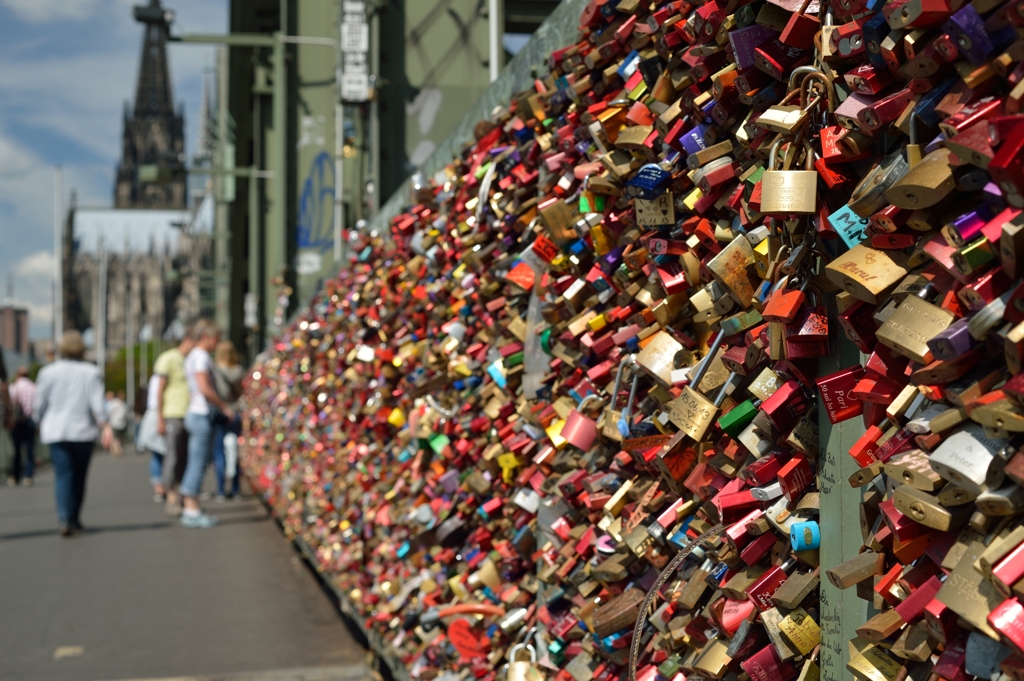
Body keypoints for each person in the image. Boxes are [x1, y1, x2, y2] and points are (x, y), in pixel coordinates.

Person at [34, 331, 114, 536]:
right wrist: (105, 425)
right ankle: (74, 517)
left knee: (63, 474)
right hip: (82, 432)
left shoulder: (47, 372)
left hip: (56, 431)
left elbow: (39, 404)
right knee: (79, 476)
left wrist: (37, 420)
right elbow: (97, 404)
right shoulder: (91, 372)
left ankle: (64, 517)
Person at [179, 320, 235, 528]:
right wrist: (223, 406)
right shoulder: (201, 357)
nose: (217, 343)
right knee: (198, 462)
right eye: (216, 338)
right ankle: (191, 510)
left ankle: (190, 507)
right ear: (206, 337)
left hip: (195, 412)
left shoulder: (193, 356)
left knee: (197, 461)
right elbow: (204, 387)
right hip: (202, 414)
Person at [154, 329, 195, 516]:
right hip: (173, 414)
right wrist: (159, 417)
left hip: (190, 414)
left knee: (184, 457)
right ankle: (171, 494)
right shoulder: (169, 358)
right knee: (172, 456)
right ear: (188, 340)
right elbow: (159, 389)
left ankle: (180, 493)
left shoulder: (191, 361)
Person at [212, 340, 244, 500]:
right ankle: (236, 489)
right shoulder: (238, 371)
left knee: (219, 452)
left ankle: (221, 490)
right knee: (235, 451)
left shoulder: (215, 371)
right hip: (237, 412)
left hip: (221, 412)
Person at [137, 374, 168, 502]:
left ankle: (159, 487)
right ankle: (166, 487)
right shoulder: (165, 376)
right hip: (163, 415)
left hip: (152, 415)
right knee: (167, 456)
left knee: (156, 456)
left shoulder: (154, 377)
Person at [8, 367, 37, 486]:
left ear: (17, 375)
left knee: (16, 449)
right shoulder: (33, 387)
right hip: (30, 420)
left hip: (16, 421)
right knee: (30, 448)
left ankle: (16, 475)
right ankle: (28, 476)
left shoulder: (14, 387)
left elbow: (10, 402)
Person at [106, 391, 128, 456]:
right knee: (117, 438)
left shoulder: (116, 404)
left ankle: (116, 450)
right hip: (118, 423)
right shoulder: (119, 404)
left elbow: (108, 413)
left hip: (118, 423)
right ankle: (117, 450)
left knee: (117, 438)